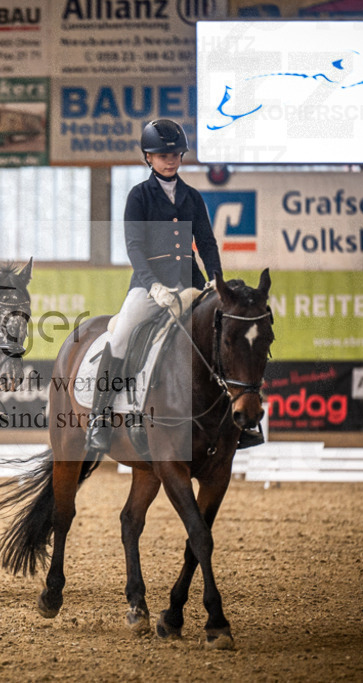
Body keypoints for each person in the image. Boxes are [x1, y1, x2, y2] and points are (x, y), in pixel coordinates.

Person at [85, 119, 264, 453]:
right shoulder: (139, 196)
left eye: (175, 154)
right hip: (149, 286)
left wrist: (215, 280)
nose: (170, 160)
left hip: (192, 284)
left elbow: (207, 243)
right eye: (161, 155)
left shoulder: (192, 197)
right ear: (148, 158)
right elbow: (134, 247)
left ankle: (243, 423)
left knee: (227, 336)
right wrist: (152, 286)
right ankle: (99, 416)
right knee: (121, 334)